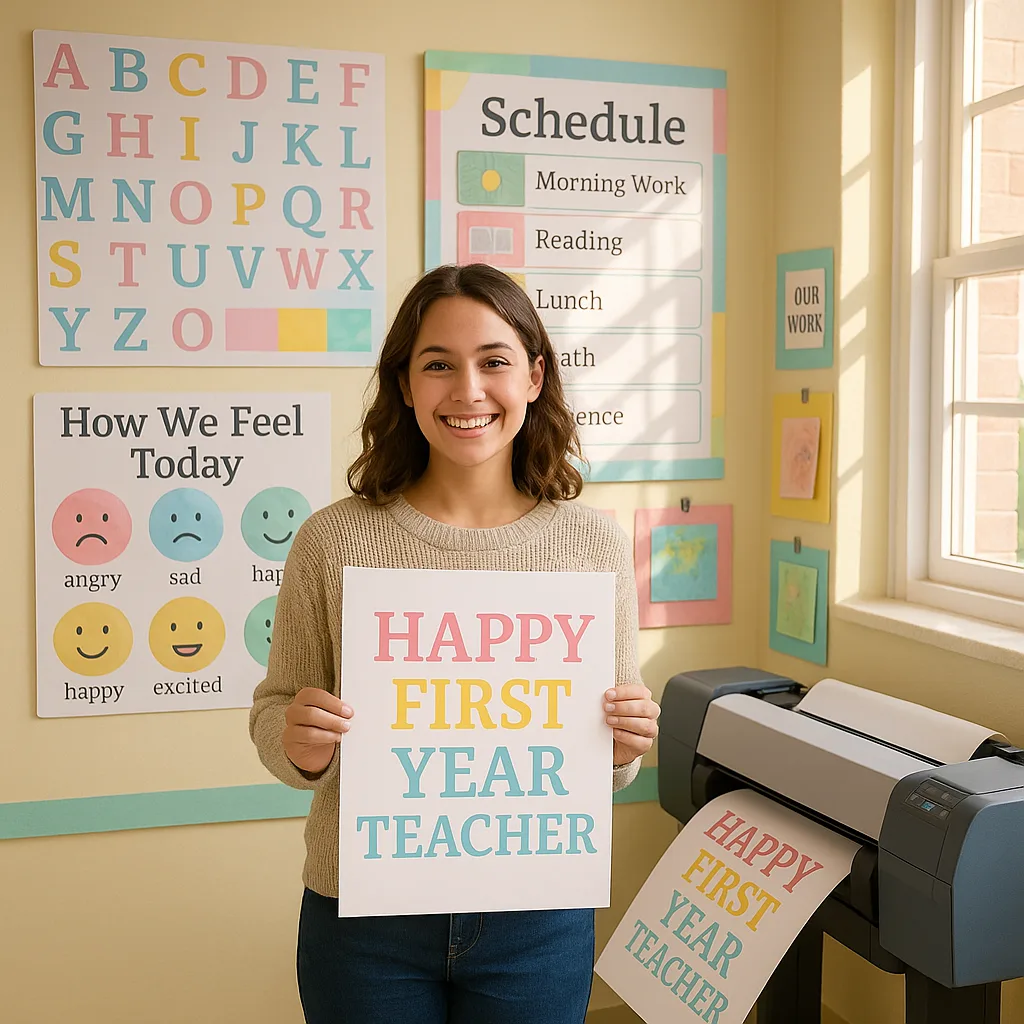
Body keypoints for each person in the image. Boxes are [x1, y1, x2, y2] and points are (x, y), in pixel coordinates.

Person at [249, 262, 662, 1024]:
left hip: (538, 917)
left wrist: (624, 743)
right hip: (363, 920)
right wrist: (299, 740)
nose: (467, 390)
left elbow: (607, 763)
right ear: (404, 385)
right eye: (437, 364)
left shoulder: (593, 545)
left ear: (535, 377)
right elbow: (277, 715)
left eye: (494, 362)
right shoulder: (331, 540)